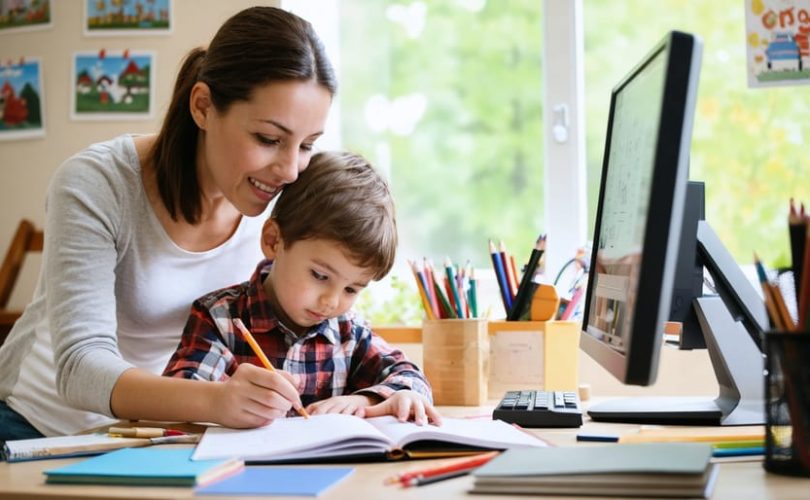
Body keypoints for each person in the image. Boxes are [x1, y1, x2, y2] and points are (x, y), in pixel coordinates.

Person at [0, 6, 336, 443]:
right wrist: (216, 401)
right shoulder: (97, 183)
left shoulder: (282, 202)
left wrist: (378, 395)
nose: (291, 169)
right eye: (268, 139)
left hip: (147, 434)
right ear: (202, 107)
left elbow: (333, 311)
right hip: (33, 425)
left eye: (307, 145)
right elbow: (80, 368)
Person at [163, 151, 440, 427]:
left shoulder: (349, 333)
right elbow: (178, 395)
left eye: (352, 289)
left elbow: (411, 379)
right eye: (320, 275)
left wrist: (366, 401)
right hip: (238, 468)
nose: (332, 301)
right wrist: (222, 399)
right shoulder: (220, 319)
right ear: (273, 241)